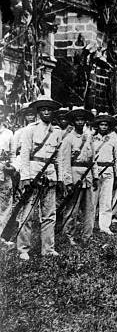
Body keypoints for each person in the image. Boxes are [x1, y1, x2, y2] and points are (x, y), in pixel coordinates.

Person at [16, 95, 65, 260]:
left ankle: (48, 248)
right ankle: (23, 248)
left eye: (49, 110)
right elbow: (24, 154)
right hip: (33, 174)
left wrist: (58, 179)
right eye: (43, 109)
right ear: (38, 112)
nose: (46, 112)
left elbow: (58, 158)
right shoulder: (30, 130)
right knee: (28, 213)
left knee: (50, 214)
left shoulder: (57, 132)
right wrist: (25, 176)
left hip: (50, 176)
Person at [59, 107, 96, 245]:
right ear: (73, 122)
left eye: (82, 119)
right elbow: (65, 161)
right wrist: (68, 181)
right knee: (72, 208)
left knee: (89, 209)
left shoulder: (89, 137)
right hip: (75, 176)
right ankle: (69, 235)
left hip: (88, 176)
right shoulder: (68, 139)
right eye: (77, 120)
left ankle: (87, 236)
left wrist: (95, 176)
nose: (80, 122)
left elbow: (93, 159)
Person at [91, 113, 117, 236]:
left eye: (106, 125)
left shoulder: (113, 140)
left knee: (106, 200)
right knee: (92, 201)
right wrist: (93, 175)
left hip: (108, 172)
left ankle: (105, 226)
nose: (103, 127)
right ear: (97, 126)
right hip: (95, 171)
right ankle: (90, 226)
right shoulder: (91, 139)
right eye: (101, 124)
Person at [0, 102, 15, 239]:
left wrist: (12, 166)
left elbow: (12, 154)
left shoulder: (8, 133)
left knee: (5, 204)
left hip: (4, 173)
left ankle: (1, 235)